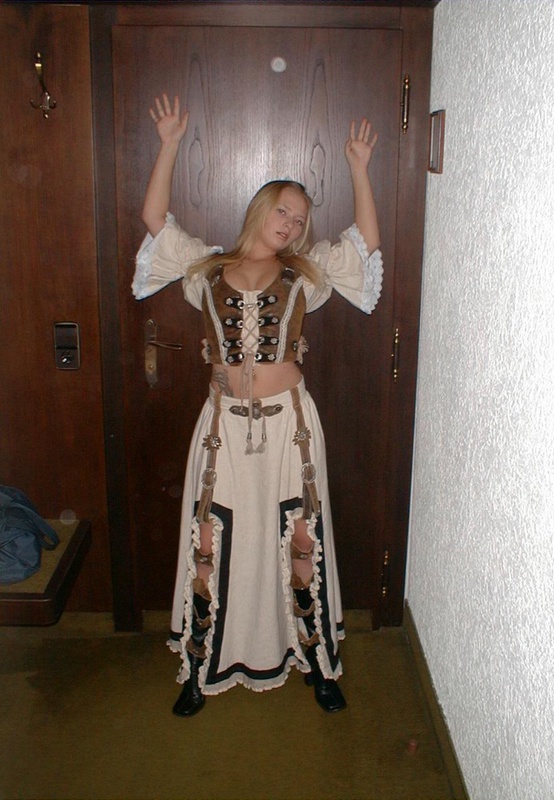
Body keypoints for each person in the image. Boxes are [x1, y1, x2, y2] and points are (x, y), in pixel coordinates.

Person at [133, 93, 382, 717]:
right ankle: (199, 664)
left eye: (300, 218)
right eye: (283, 210)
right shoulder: (206, 267)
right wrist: (168, 144)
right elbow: (154, 216)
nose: (291, 224)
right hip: (222, 425)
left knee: (300, 534)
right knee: (210, 537)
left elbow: (366, 244)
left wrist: (358, 167)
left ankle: (316, 662)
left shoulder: (306, 273)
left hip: (290, 426)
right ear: (259, 210)